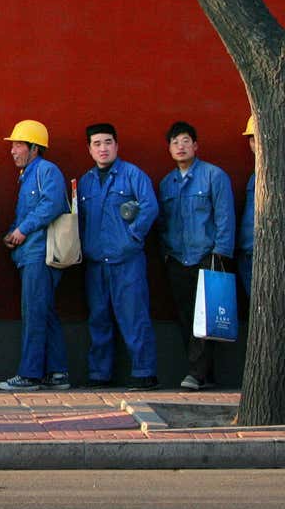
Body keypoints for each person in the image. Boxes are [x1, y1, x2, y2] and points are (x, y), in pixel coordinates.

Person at [77, 123, 160, 390]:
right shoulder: (86, 181)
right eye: (97, 143)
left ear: (117, 145)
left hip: (127, 261)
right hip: (96, 262)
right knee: (98, 318)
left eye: (108, 142)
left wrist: (132, 236)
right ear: (89, 149)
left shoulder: (133, 175)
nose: (103, 148)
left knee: (134, 316)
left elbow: (150, 207)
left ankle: (144, 372)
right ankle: (100, 374)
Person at [157, 120, 236, 391]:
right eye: (175, 142)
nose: (180, 146)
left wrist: (221, 255)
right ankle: (204, 373)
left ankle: (196, 373)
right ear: (169, 148)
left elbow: (225, 216)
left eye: (185, 141)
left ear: (196, 145)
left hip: (208, 257)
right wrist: (166, 254)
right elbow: (164, 223)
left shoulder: (214, 176)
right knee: (186, 316)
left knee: (207, 316)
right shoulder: (167, 183)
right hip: (178, 259)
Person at [0, 120, 71, 392]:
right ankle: (58, 372)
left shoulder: (46, 170)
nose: (13, 151)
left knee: (34, 314)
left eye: (18, 145)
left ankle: (30, 375)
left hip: (39, 255)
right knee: (45, 311)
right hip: (31, 254)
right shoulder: (29, 173)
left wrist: (22, 230)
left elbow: (52, 204)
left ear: (35, 148)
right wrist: (13, 234)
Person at [239, 115, 257, 296]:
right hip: (248, 254)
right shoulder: (255, 176)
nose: (256, 144)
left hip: (268, 255)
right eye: (252, 139)